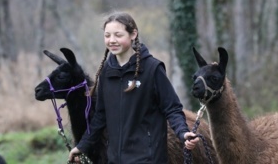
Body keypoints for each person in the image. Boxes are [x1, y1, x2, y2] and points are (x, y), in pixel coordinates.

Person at [68, 11, 199, 163]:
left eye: (118, 35)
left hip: (148, 159)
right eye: (107, 35)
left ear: (133, 34)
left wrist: (183, 133)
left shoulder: (152, 69)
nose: (112, 40)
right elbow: (100, 117)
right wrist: (82, 146)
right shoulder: (106, 73)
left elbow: (172, 108)